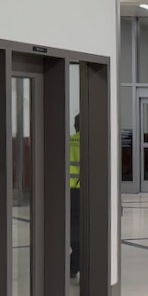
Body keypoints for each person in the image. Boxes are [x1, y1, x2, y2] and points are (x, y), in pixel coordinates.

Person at [69, 114, 82, 280]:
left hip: (68, 192)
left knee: (73, 230)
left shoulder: (68, 141)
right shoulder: (91, 141)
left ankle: (73, 266)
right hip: (85, 191)